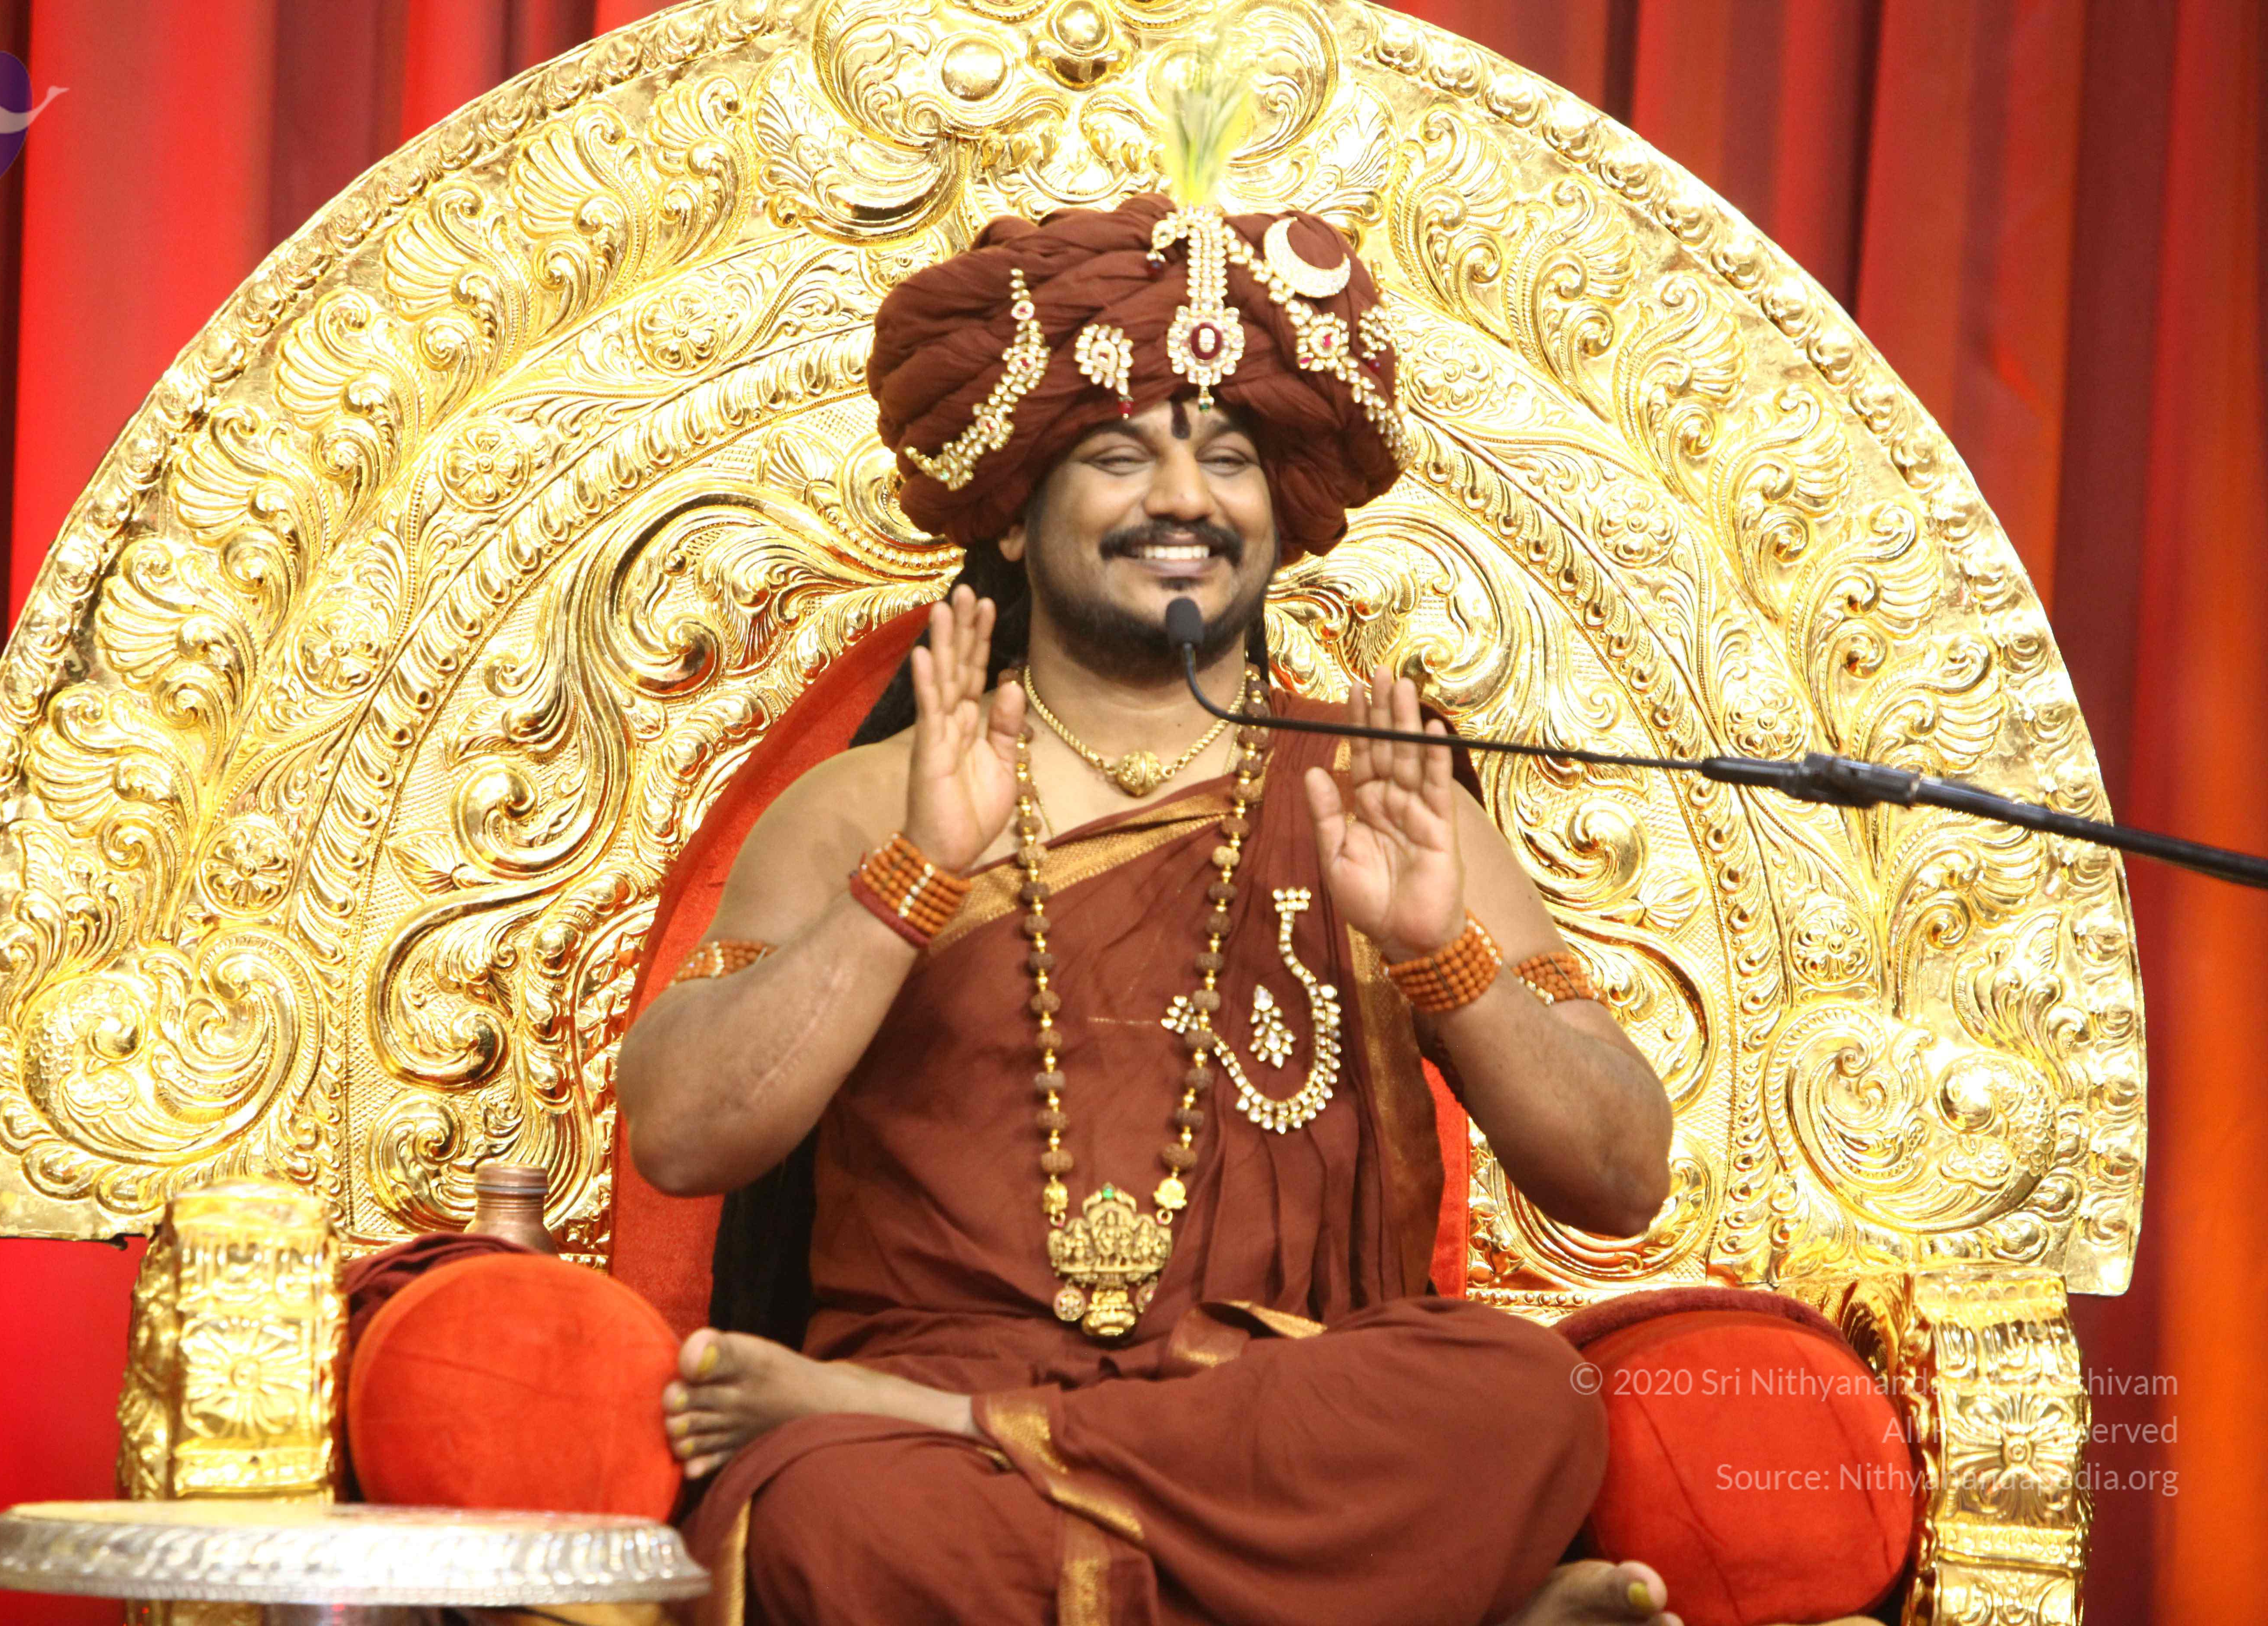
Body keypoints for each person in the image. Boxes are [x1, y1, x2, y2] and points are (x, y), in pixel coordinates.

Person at [615, 194, 1686, 1626]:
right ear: (1016, 511)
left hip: (1283, 1413)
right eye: (1121, 455)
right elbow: (684, 1136)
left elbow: (1620, 1179)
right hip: (941, 1445)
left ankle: (964, 1441)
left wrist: (1443, 954)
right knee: (830, 1518)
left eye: (1228, 458)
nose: (1184, 500)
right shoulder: (869, 805)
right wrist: (916, 877)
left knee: (1523, 1395)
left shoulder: (1377, 793)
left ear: (1279, 513)